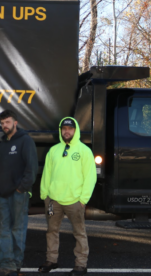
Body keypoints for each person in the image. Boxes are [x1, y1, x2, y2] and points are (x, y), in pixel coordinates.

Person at [38, 117, 97, 276]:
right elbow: (47, 173)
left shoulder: (84, 151)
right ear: (60, 130)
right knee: (51, 230)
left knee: (79, 232)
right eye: (64, 128)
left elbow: (90, 177)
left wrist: (83, 200)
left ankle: (81, 264)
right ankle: (51, 260)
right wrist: (45, 195)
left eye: (70, 129)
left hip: (75, 202)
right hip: (53, 202)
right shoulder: (54, 150)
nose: (67, 131)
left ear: (75, 130)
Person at [0, 110, 38, 276]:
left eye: (7, 122)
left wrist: (22, 188)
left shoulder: (25, 141)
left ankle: (17, 263)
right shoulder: (2, 144)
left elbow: (32, 168)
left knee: (17, 228)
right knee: (2, 229)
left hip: (19, 194)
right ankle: (7, 263)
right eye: (2, 123)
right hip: (2, 194)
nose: (5, 125)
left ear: (15, 122)